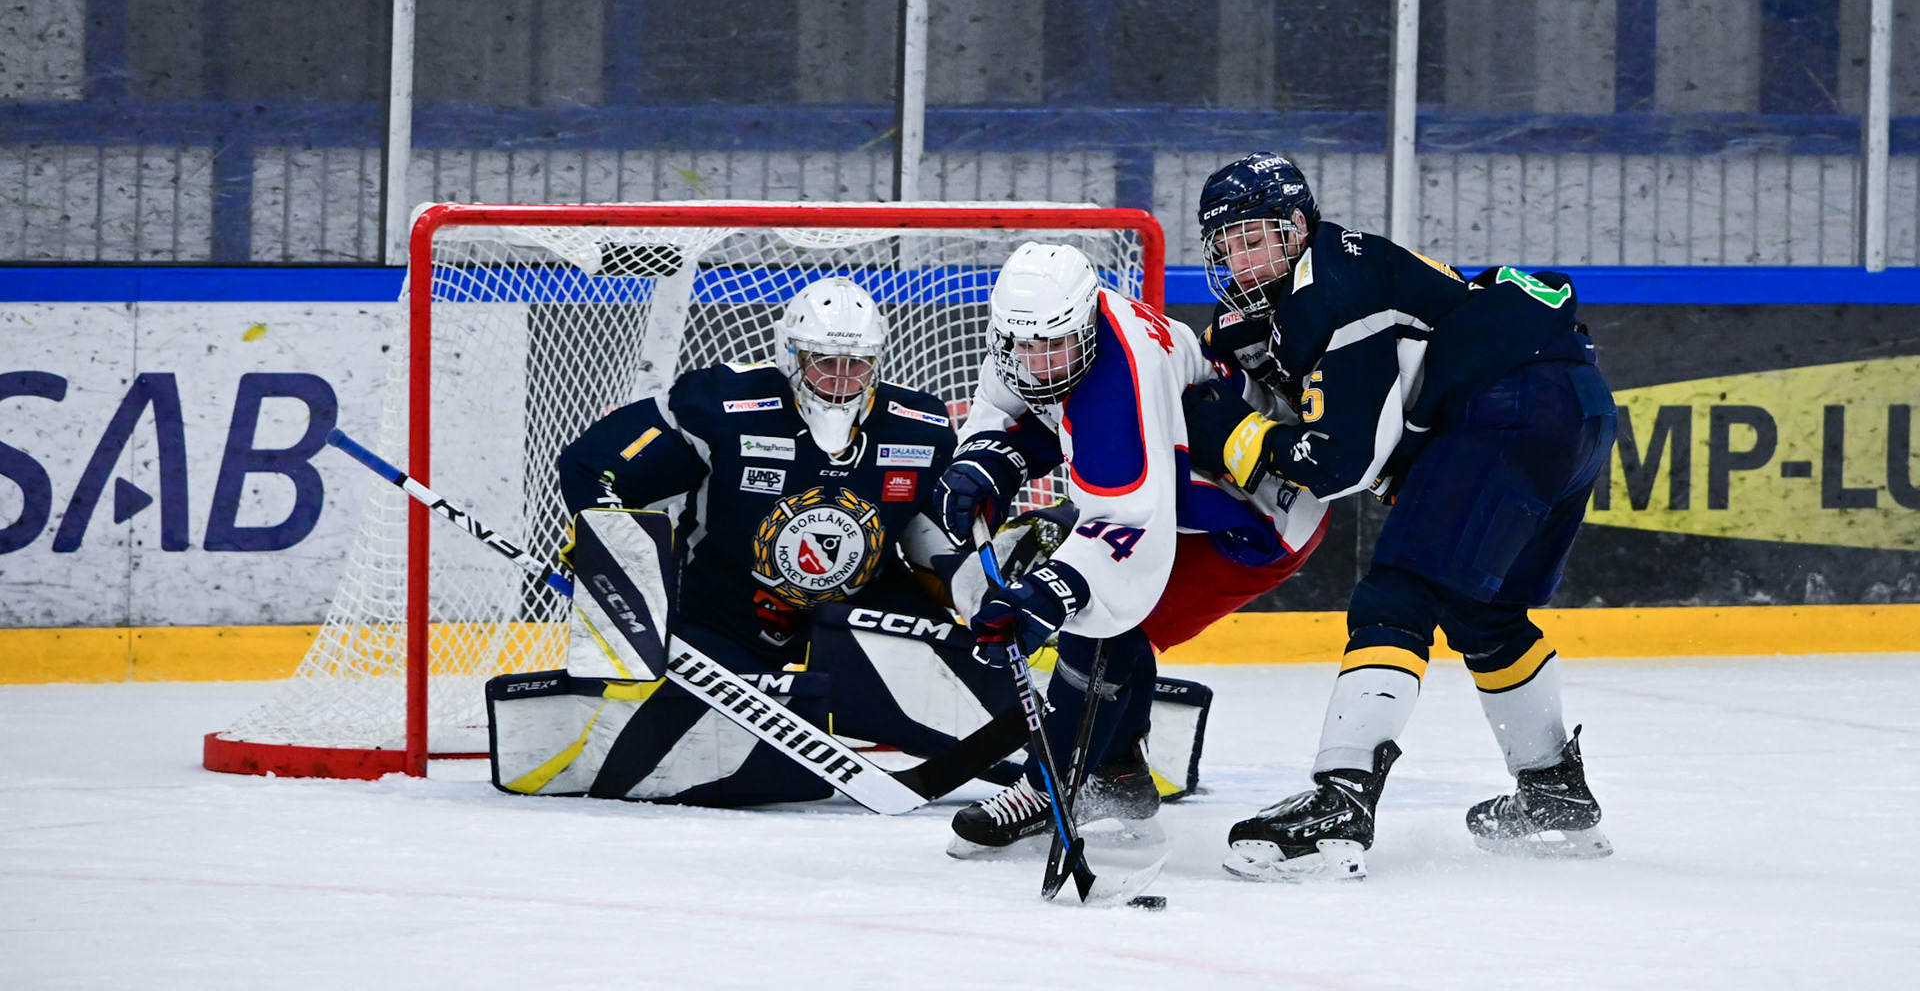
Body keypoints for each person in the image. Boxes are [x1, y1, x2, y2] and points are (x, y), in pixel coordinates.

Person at [1182, 152, 1619, 879]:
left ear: (1298, 229)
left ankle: (1343, 796)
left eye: (1256, 239)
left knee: (1397, 597)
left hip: (1510, 406)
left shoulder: (1331, 288)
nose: (1242, 259)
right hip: (1573, 407)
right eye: (1228, 245)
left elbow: (1340, 462)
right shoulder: (1331, 280)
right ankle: (1554, 793)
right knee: (1485, 614)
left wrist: (1235, 432)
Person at [931, 241, 1325, 854]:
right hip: (1191, 489)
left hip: (1260, 516)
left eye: (1056, 346)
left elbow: (1129, 528)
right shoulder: (1051, 326)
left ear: (1086, 322)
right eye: (1026, 346)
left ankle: (1048, 789)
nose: (1041, 363)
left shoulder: (1120, 381)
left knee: (1099, 625)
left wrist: (1053, 593)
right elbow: (1013, 406)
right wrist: (988, 459)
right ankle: (1118, 777)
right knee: (1107, 621)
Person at [531, 276, 987, 805]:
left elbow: (927, 529)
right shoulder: (721, 404)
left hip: (860, 620)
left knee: (997, 720)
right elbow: (594, 464)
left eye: (856, 364)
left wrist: (973, 587)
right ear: (791, 354)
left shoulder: (919, 426)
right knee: (759, 772)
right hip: (727, 616)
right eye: (824, 362)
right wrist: (610, 546)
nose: (841, 378)